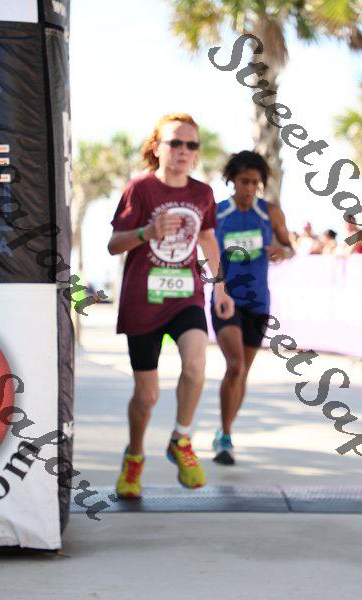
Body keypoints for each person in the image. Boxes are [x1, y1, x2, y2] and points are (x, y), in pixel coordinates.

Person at [108, 113, 234, 498]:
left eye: (191, 145)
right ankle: (134, 457)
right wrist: (147, 232)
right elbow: (114, 244)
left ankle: (181, 439)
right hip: (143, 300)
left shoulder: (202, 193)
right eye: (175, 142)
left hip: (185, 296)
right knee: (147, 396)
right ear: (157, 147)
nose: (183, 150)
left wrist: (220, 288)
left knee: (196, 365)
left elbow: (208, 238)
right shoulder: (140, 189)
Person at [211, 150, 293, 465]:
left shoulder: (270, 212)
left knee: (243, 372)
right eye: (244, 181)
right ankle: (225, 437)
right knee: (235, 366)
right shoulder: (218, 213)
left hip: (258, 301)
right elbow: (206, 251)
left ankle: (225, 430)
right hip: (226, 298)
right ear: (232, 179)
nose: (249, 188)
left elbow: (289, 246)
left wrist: (282, 252)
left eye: (255, 183)